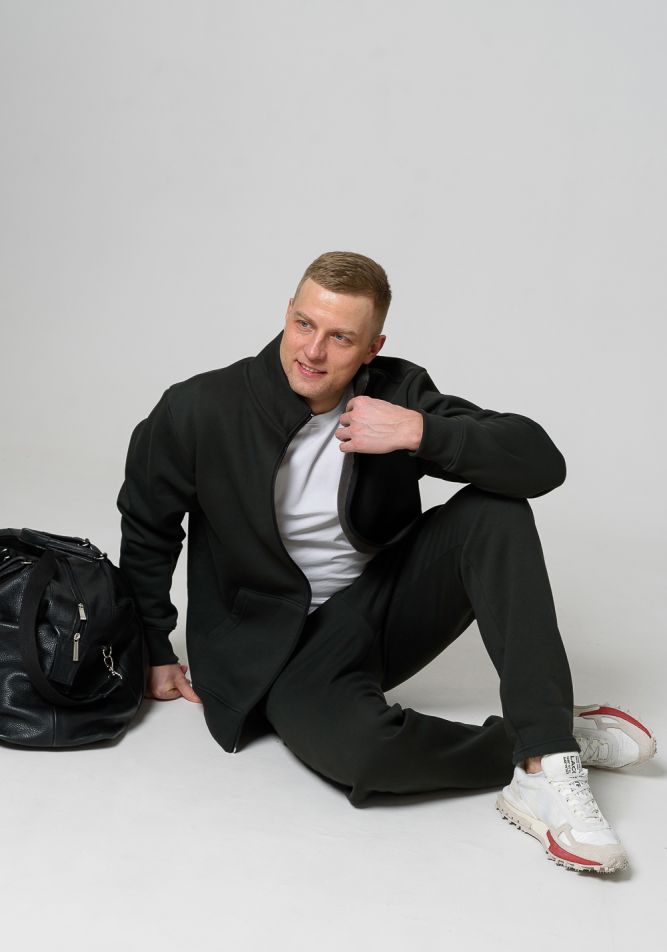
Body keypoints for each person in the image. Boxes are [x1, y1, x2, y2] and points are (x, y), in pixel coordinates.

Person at [117, 250, 656, 874]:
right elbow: (148, 526)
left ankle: (544, 764)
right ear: (287, 314)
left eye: (341, 338)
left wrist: (419, 432)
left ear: (372, 347)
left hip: (376, 610)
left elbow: (541, 462)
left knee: (496, 511)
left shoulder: (397, 392)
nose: (313, 351)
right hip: (274, 653)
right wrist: (152, 645)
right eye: (303, 324)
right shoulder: (199, 408)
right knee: (366, 754)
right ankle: (542, 737)